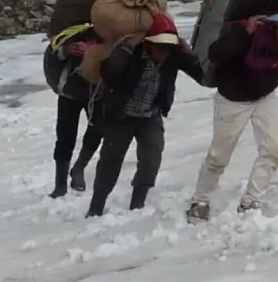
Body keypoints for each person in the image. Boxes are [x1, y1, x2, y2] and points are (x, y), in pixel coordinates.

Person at [187, 8, 278, 221]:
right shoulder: (251, 33)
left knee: (273, 148)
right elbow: (215, 54)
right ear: (275, 25)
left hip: (264, 97)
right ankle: (200, 200)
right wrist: (243, 34)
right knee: (219, 156)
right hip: (232, 99)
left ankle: (251, 199)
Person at [84, 15, 205, 217]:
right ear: (148, 43)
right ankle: (96, 206)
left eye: (167, 47)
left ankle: (137, 204)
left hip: (150, 115)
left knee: (152, 158)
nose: (163, 52)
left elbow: (203, 77)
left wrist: (189, 53)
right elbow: (109, 73)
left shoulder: (174, 56)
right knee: (110, 160)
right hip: (121, 116)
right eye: (159, 47)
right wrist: (127, 47)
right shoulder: (131, 54)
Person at [47, 23, 105, 200]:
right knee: (65, 137)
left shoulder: (107, 26)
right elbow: (53, 52)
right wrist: (67, 50)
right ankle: (60, 185)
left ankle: (79, 168)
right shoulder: (72, 26)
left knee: (97, 131)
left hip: (96, 92)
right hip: (70, 93)